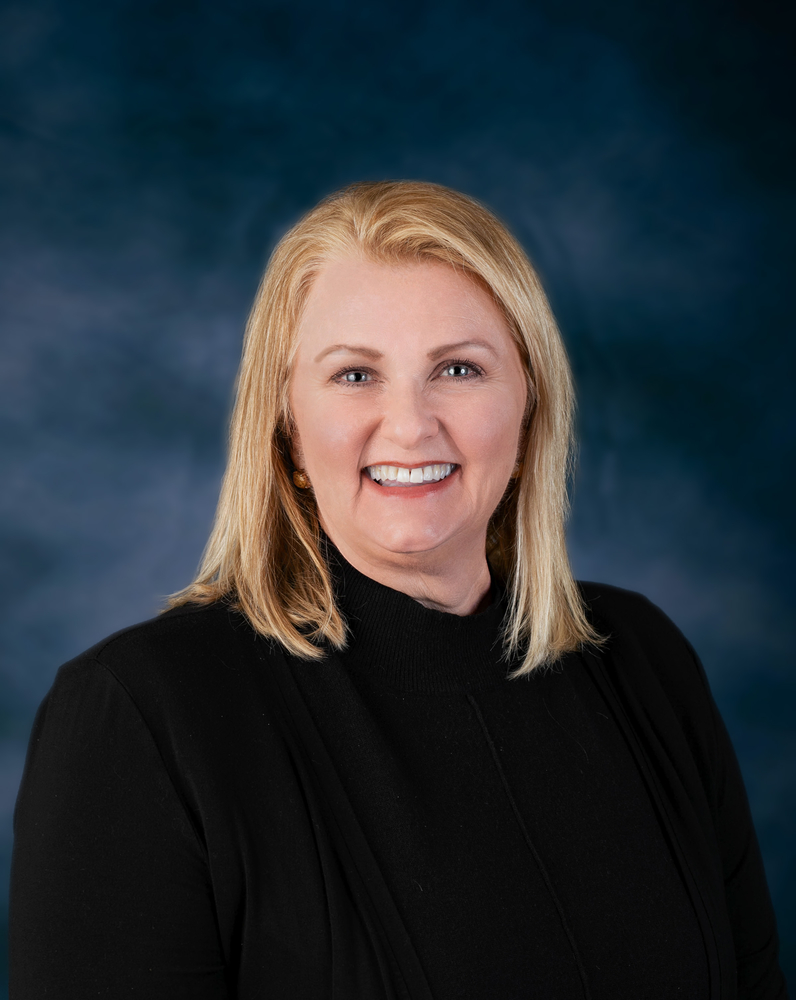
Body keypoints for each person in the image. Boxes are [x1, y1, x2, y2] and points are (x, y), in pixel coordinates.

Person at [9, 181, 786, 1000]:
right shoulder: (141, 714)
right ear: (288, 430)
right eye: (354, 376)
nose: (410, 425)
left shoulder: (641, 660)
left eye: (458, 368)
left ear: (529, 408)